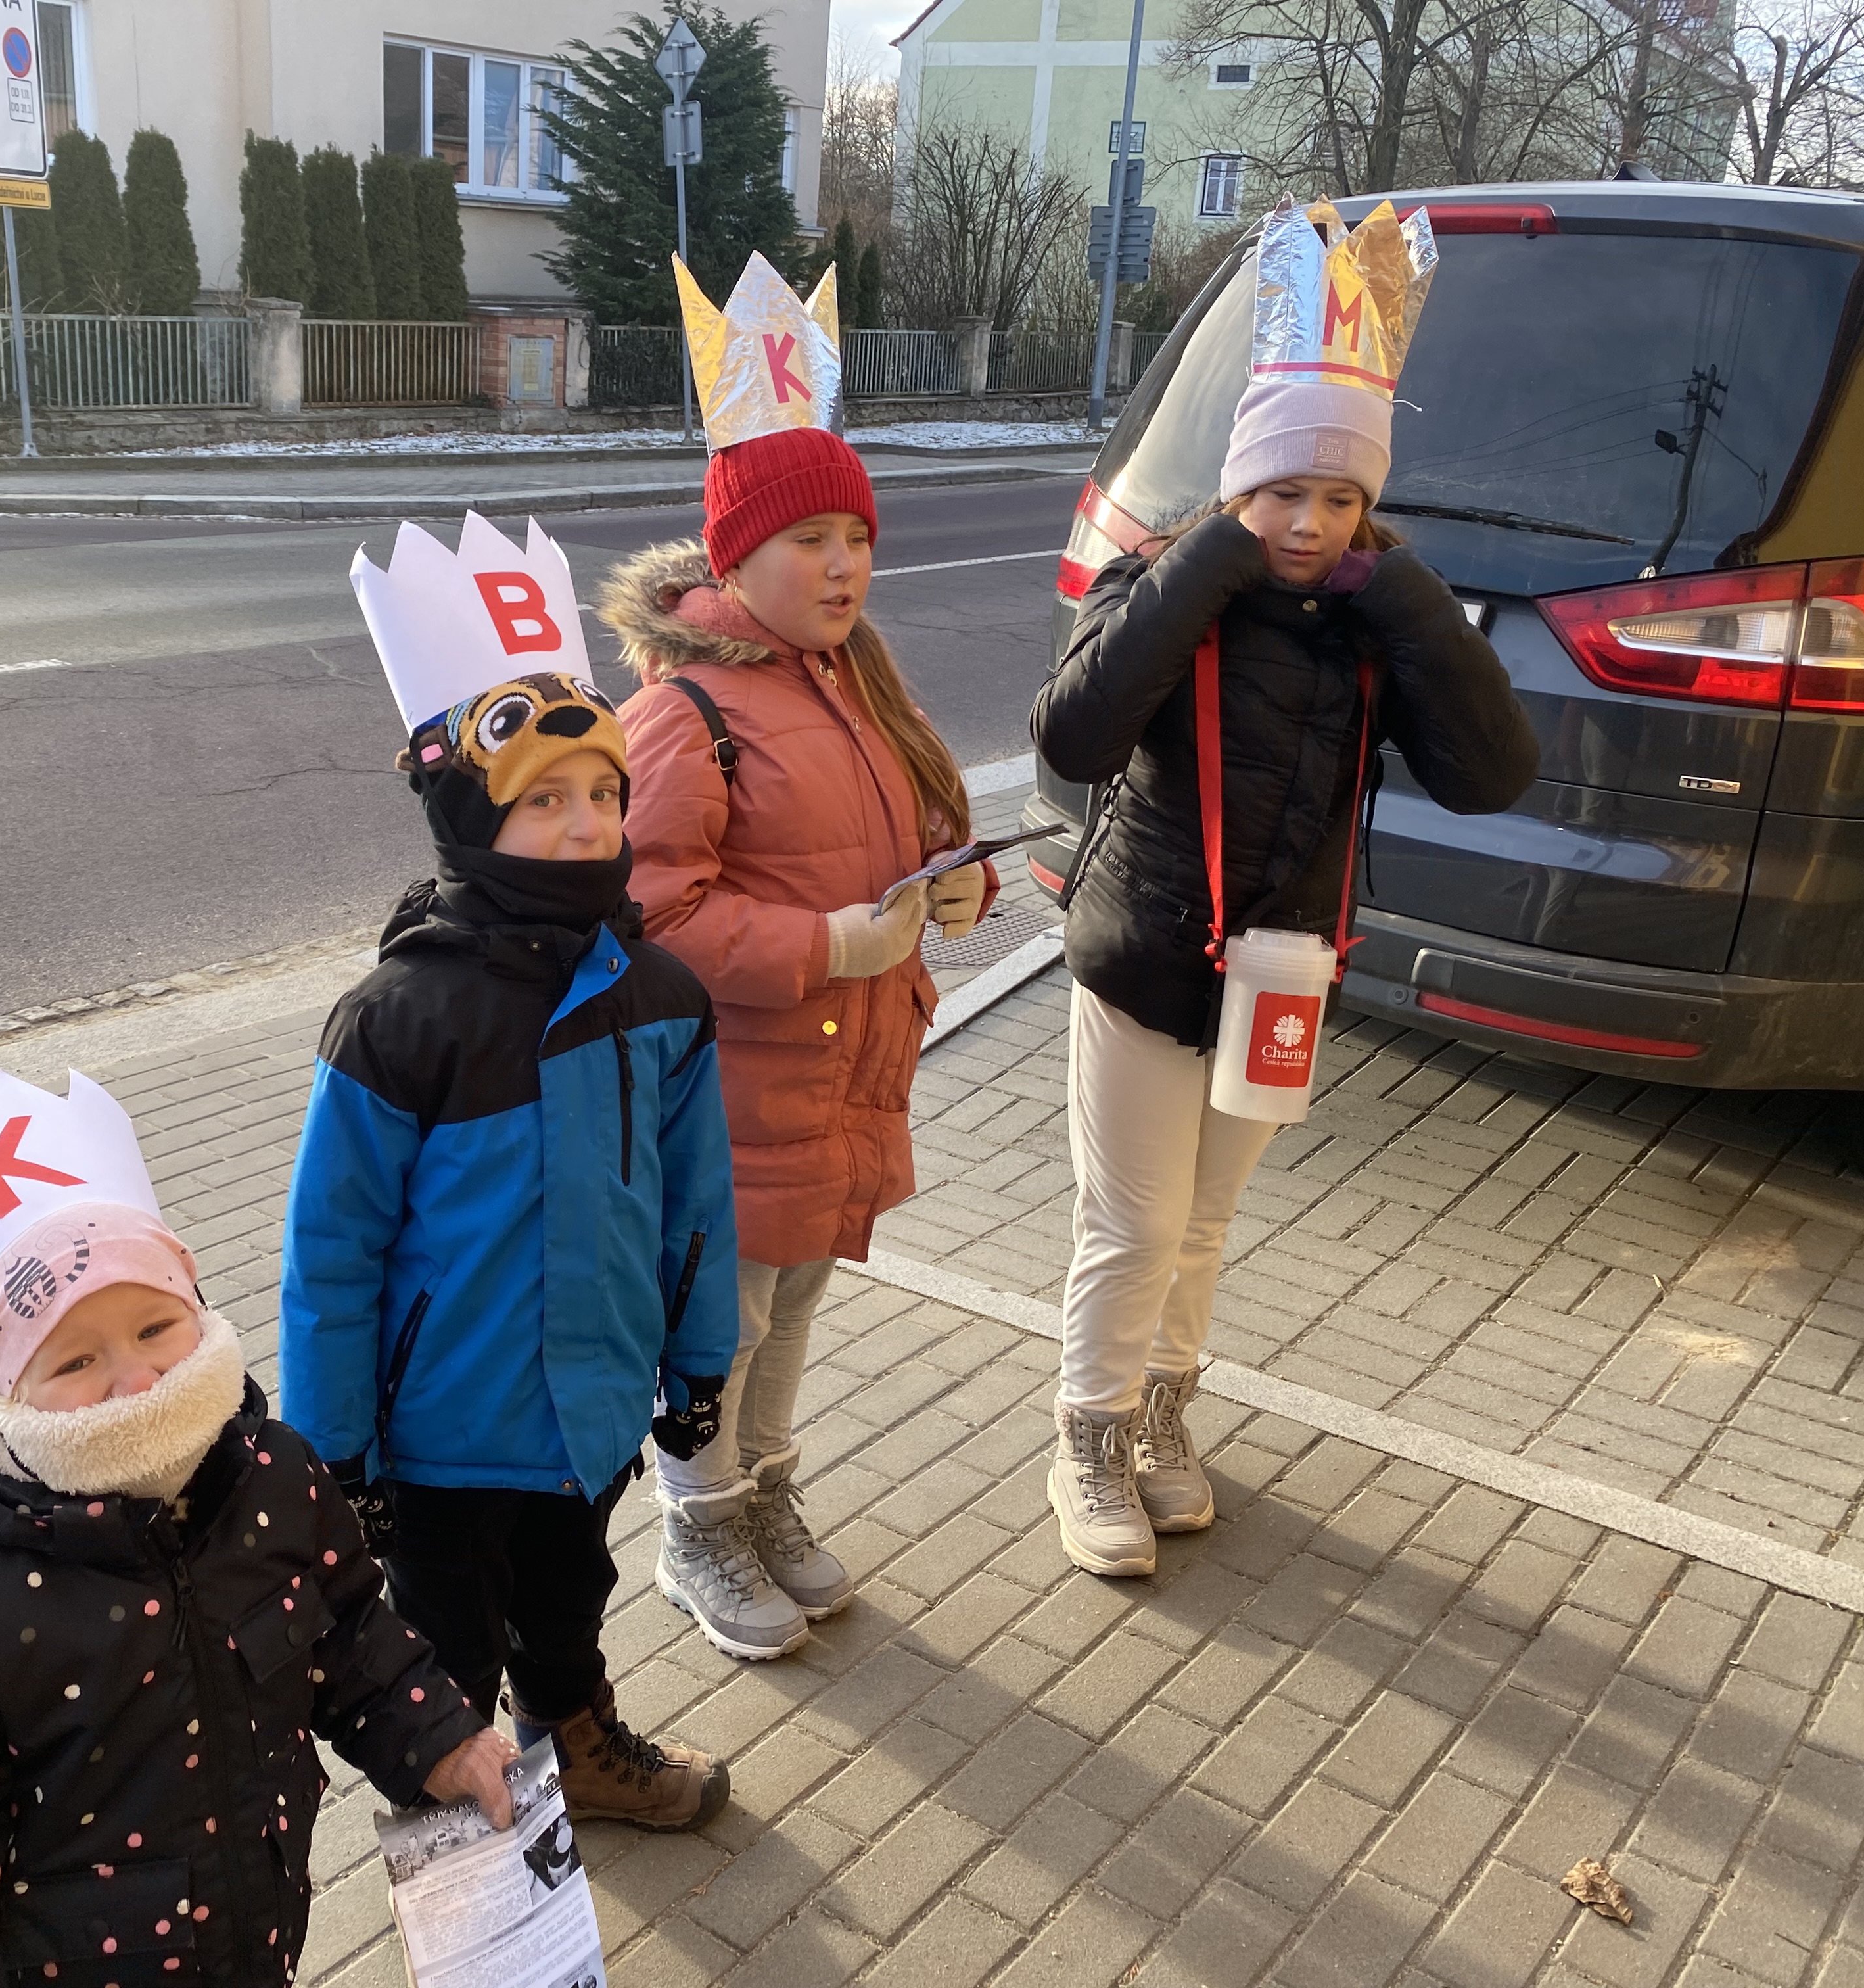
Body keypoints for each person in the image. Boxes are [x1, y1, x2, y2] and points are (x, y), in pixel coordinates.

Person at [1031, 199, 1539, 1578]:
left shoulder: (1376, 620)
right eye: (1282, 492)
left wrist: (1413, 597)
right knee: (1131, 1225)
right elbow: (1072, 739)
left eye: (1339, 498)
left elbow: (1493, 773)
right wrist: (1208, 556)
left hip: (1277, 977)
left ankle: (1161, 1415)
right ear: (1241, 483)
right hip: (1144, 958)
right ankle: (1085, 1434)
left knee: (1202, 1223)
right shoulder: (1169, 579)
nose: (1307, 523)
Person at [0, 1066, 514, 1985]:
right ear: (0, 1392)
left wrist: (445, 1742)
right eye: (73, 1358)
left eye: (155, 1329)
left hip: (255, 1930)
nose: (135, 1381)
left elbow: (347, 1639)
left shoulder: (270, 1477)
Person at [279, 513, 741, 1829]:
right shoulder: (399, 1020)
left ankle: (577, 1745)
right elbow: (331, 1256)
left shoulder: (660, 993)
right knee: (438, 1658)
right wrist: (334, 1452)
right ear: (471, 813)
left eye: (602, 794)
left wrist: (700, 1365)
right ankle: (460, 1857)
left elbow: (696, 1206)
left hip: (588, 1411)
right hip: (439, 1442)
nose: (588, 822)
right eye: (545, 800)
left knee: (567, 1598)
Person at [600, 252, 996, 1663]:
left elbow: (925, 820)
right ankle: (696, 1522)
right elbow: (646, 918)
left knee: (794, 1308)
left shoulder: (849, 680)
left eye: (860, 538)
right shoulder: (684, 711)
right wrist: (828, 944)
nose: (845, 566)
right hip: (735, 1100)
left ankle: (765, 1492)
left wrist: (962, 885)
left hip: (836, 1088)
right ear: (734, 556)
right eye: (810, 540)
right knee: (718, 1325)